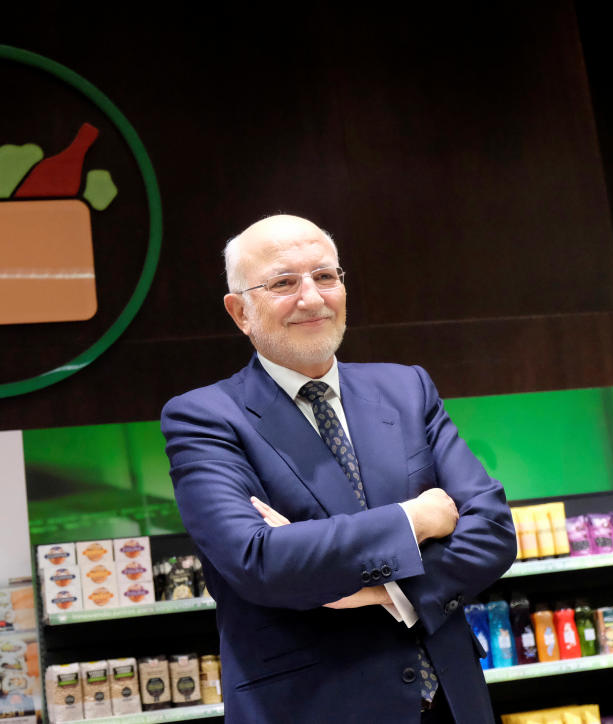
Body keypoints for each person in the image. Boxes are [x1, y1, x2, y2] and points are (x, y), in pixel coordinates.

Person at [160, 215, 517, 723]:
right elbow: (260, 562)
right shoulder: (203, 417)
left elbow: (494, 531)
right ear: (240, 311)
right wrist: (416, 520)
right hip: (314, 707)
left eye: (326, 276)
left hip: (452, 704)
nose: (311, 297)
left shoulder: (407, 388)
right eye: (284, 283)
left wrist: (381, 590)